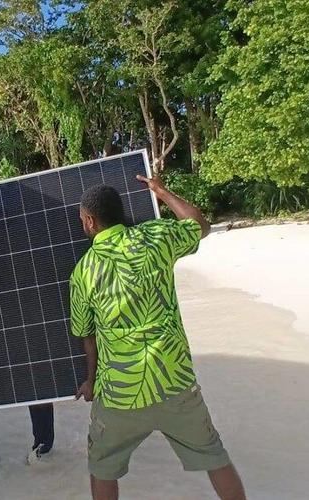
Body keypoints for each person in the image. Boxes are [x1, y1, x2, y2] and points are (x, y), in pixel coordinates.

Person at [69, 179, 246, 500]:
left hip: (120, 395)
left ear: (90, 222)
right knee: (215, 457)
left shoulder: (83, 272)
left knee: (102, 467)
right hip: (174, 383)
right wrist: (162, 192)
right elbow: (199, 225)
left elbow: (87, 335)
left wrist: (90, 381)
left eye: (82, 218)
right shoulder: (156, 237)